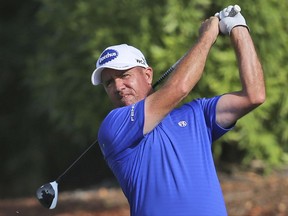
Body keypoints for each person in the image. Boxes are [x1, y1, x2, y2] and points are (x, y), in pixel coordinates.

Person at [90, 5, 265, 216]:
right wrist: (207, 37)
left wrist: (238, 27)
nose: (117, 87)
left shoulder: (197, 114)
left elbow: (254, 95)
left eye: (124, 75)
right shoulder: (113, 126)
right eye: (109, 83)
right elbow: (179, 88)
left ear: (147, 75)